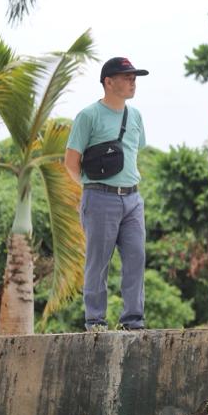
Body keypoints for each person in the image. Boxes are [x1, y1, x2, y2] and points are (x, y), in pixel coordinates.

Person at [65, 57, 150, 332]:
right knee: (98, 262)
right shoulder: (88, 115)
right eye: (126, 77)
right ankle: (95, 321)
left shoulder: (135, 115)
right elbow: (71, 161)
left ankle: (133, 321)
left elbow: (138, 150)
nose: (132, 82)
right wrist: (91, 188)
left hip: (133, 199)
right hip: (100, 197)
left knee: (136, 258)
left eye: (134, 77)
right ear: (108, 82)